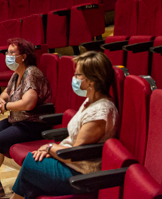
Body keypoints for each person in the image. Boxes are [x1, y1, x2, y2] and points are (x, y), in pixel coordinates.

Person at [7, 51, 118, 199]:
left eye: (78, 75)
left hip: (81, 174)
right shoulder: (90, 101)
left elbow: (76, 154)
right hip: (69, 161)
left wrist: (50, 148)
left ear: (92, 80)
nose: (74, 78)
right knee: (32, 173)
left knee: (31, 164)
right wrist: (52, 151)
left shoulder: (100, 112)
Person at [0, 39, 51, 199]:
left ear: (24, 56)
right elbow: (6, 92)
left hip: (33, 123)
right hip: (18, 120)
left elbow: (28, 103)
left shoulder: (31, 73)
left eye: (12, 53)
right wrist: (1, 99)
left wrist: (6, 107)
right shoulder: (16, 75)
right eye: (7, 52)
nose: (7, 56)